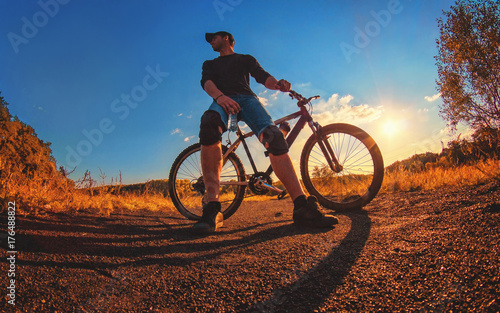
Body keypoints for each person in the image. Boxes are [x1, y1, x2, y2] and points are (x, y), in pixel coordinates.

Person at [194, 31, 338, 234]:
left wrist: (278, 84)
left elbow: (262, 77)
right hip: (222, 99)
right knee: (209, 123)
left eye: (213, 38)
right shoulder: (210, 63)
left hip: (248, 99)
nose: (210, 42)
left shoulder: (245, 59)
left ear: (226, 38)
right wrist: (220, 98)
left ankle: (302, 208)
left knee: (275, 137)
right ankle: (212, 209)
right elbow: (207, 83)